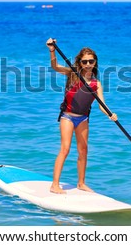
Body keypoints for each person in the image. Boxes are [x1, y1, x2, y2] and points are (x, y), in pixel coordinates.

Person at [46, 38, 118, 194]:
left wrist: (110, 114)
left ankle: (81, 183)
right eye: (84, 61)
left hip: (83, 118)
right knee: (65, 149)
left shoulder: (96, 84)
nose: (87, 64)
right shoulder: (73, 74)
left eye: (90, 61)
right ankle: (55, 184)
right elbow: (55, 67)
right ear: (80, 62)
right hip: (68, 117)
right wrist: (52, 51)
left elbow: (101, 105)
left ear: (95, 62)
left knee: (83, 150)